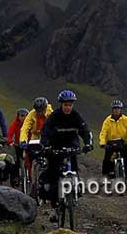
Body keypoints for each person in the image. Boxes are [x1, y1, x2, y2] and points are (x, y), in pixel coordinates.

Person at [40, 90, 93, 220]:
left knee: (74, 168)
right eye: (65, 105)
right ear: (61, 105)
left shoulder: (76, 116)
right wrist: (45, 146)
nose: (68, 107)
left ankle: (76, 190)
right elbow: (45, 132)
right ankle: (53, 208)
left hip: (71, 146)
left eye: (70, 105)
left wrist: (88, 144)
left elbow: (85, 130)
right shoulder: (54, 116)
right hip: (56, 147)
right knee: (53, 176)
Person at [99, 99, 127, 178]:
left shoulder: (125, 119)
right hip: (110, 143)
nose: (116, 110)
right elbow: (103, 133)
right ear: (112, 110)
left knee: (126, 161)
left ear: (120, 109)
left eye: (118, 108)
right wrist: (102, 143)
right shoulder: (108, 120)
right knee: (107, 161)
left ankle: (126, 178)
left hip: (122, 143)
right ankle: (106, 177)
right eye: (115, 109)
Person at [7, 107, 29, 184]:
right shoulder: (15, 124)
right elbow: (10, 133)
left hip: (29, 145)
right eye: (22, 116)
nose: (23, 118)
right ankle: (15, 178)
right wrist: (10, 141)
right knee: (16, 162)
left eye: (25, 116)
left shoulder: (30, 123)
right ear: (18, 116)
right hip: (18, 145)